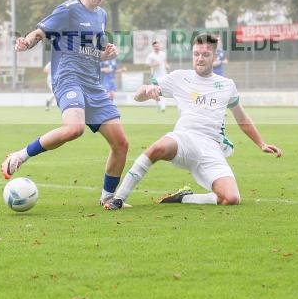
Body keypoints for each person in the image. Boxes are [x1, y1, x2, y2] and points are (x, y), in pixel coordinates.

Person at [1, 0, 131, 208]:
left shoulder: (101, 15)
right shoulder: (68, 10)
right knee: (74, 129)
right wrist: (27, 42)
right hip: (68, 78)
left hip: (93, 84)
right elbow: (40, 32)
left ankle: (108, 198)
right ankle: (20, 155)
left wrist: (106, 54)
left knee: (121, 144)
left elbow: (93, 51)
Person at [104, 33, 282, 210]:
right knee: (157, 148)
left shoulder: (227, 85)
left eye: (205, 54)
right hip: (184, 139)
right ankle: (118, 199)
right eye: (196, 54)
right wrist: (147, 90)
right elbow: (138, 95)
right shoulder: (179, 77)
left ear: (214, 56)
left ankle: (184, 198)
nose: (200, 58)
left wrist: (261, 144)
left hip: (212, 147)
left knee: (231, 198)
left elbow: (242, 118)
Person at [146, 40, 170, 112]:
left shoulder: (163, 54)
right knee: (155, 92)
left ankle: (163, 107)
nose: (157, 47)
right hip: (155, 77)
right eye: (155, 46)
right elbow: (147, 65)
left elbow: (165, 62)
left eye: (158, 46)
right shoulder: (151, 56)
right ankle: (159, 105)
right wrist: (154, 64)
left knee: (164, 91)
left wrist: (167, 65)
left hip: (163, 75)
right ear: (153, 47)